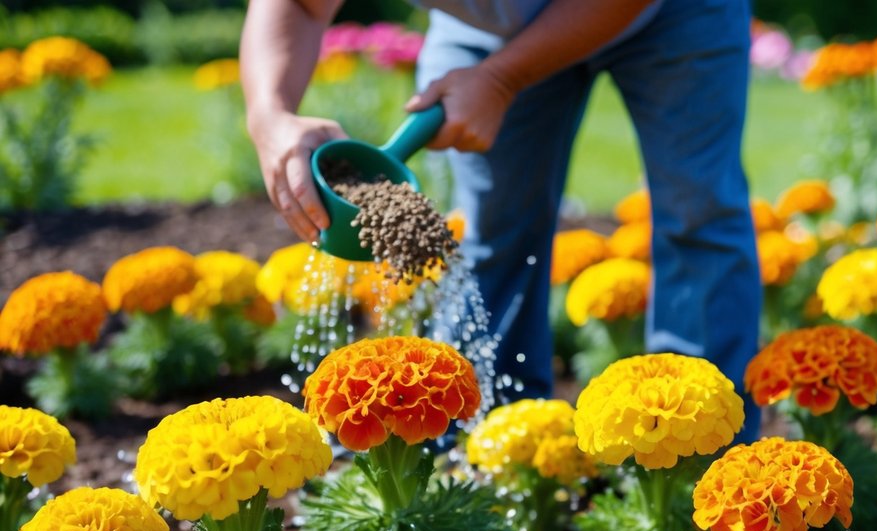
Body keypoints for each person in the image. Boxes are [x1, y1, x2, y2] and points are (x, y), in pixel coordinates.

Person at [241, 0, 762, 440]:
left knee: (699, 215)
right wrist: (270, 114)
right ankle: (493, 444)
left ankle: (698, 449)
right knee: (495, 230)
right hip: (486, 25)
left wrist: (500, 77)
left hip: (677, 13)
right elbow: (301, 7)